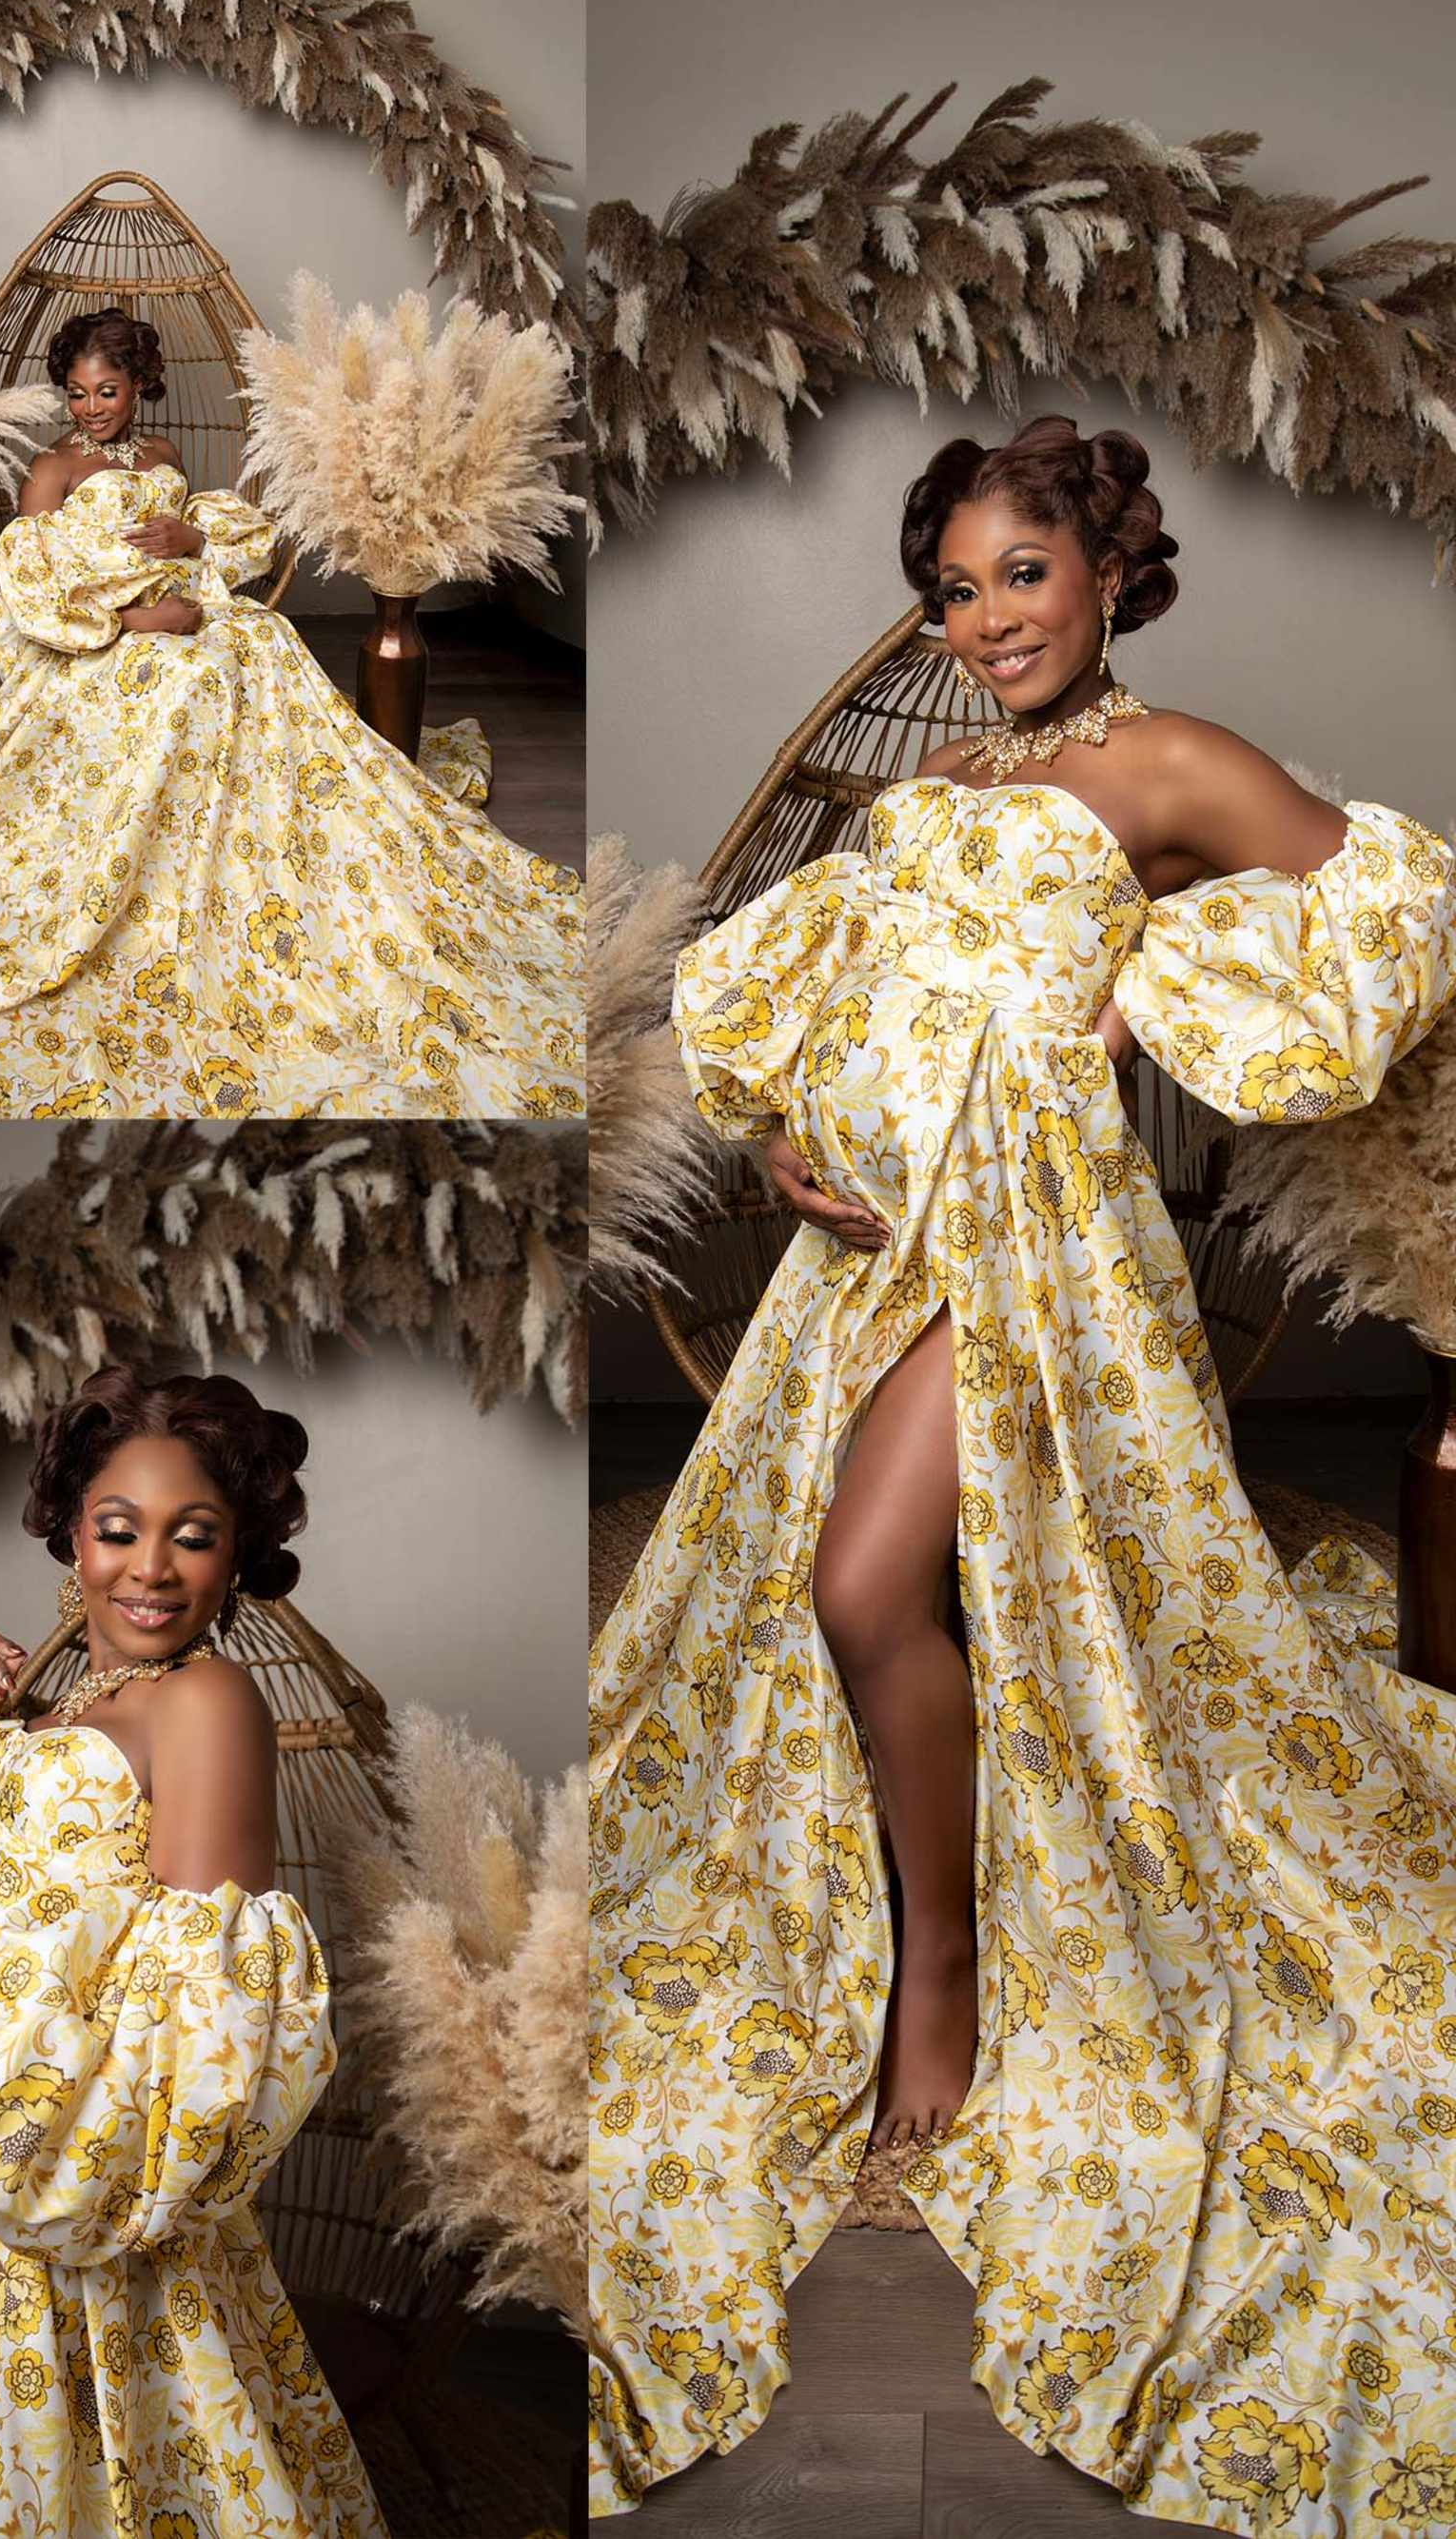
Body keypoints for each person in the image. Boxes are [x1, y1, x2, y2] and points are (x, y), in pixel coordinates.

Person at [588, 420, 1456, 2525]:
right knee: (807, 1604)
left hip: (1042, 1251)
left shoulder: (1163, 770)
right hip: (871, 1254)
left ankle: (944, 2000)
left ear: (1109, 573)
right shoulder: (928, 787)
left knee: (858, 1592)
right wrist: (798, 1131)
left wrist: (1180, 1005)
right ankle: (905, 1955)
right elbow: (843, 997)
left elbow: (1391, 904)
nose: (987, 623)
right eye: (956, 588)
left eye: (1023, 577)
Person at [0, 305, 580, 1120]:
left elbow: (224, 547)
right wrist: (132, 617)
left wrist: (192, 538)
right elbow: (30, 587)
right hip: (100, 640)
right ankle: (162, 837)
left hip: (190, 610)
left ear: (141, 389)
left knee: (258, 647)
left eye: (110, 393)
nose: (92, 409)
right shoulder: (52, 473)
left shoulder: (168, 457)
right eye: (79, 394)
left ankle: (277, 835)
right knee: (179, 687)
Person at [0, 1368, 386, 2539]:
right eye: (119, 1528)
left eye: (192, 1535)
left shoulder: (205, 1702)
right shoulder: (51, 1701)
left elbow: (208, 2024)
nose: (150, 1566)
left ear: (236, 1553)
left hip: (45, 2221)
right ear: (72, 1532)